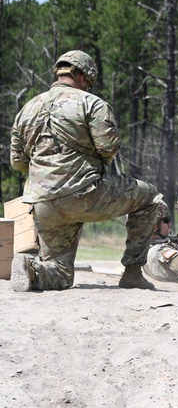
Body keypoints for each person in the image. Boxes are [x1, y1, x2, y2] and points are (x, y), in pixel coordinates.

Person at [9, 50, 161, 292]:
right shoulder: (92, 104)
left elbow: (17, 161)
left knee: (60, 272)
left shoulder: (27, 108)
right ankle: (133, 272)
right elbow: (109, 147)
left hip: (43, 203)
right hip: (85, 194)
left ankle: (32, 270)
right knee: (150, 196)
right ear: (83, 76)